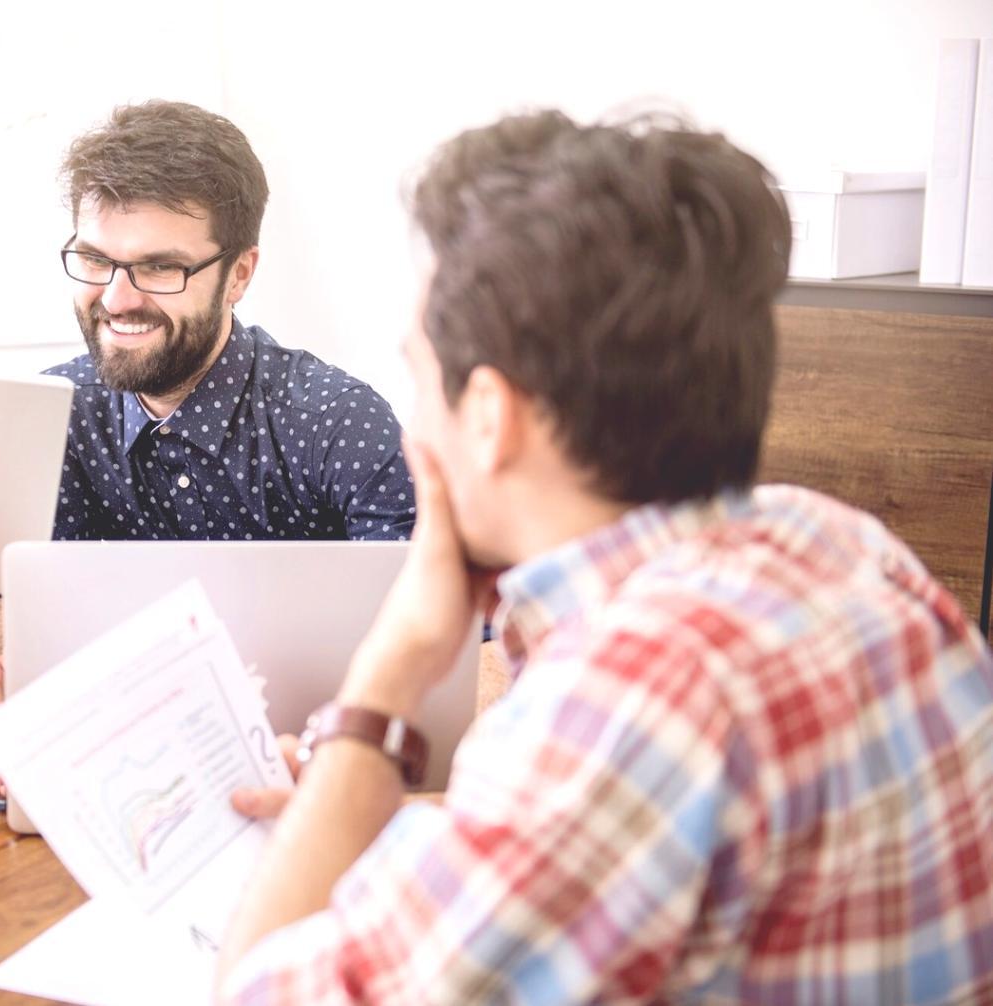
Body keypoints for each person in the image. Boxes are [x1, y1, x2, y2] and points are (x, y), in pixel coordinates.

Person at [217, 111, 993, 1004]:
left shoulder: (638, 694)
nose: (409, 426)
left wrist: (384, 681)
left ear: (487, 418)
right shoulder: (842, 542)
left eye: (417, 378)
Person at [0, 101, 417, 786]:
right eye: (94, 259)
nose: (116, 298)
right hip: (105, 778)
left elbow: (443, 635)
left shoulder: (338, 423)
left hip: (310, 787)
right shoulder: (51, 415)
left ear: (239, 273)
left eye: (160, 268)